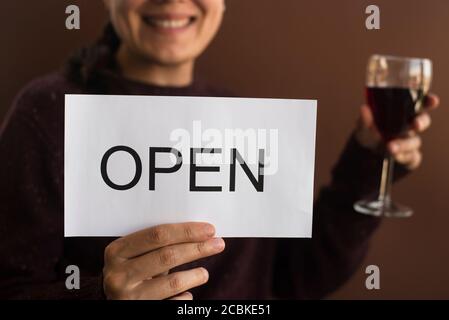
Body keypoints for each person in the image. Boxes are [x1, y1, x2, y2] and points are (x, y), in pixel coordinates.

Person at [0, 0, 440, 300]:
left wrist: (364, 162)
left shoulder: (242, 116)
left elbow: (292, 280)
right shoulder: (48, 112)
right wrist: (100, 295)